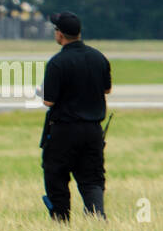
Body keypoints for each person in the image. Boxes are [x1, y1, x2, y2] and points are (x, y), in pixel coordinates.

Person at [40, 11, 112, 220]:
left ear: (60, 35)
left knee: (57, 177)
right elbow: (107, 90)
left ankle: (61, 222)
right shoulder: (99, 57)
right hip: (92, 131)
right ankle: (97, 219)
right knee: (92, 179)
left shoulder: (57, 62)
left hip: (64, 131)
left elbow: (48, 101)